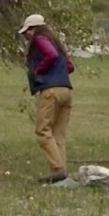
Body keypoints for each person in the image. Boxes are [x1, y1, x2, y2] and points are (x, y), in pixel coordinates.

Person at [19, 13, 74, 184]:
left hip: (50, 91)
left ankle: (57, 169)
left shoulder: (40, 38)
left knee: (42, 131)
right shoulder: (56, 42)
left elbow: (51, 55)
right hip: (66, 90)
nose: (26, 35)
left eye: (27, 31)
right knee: (58, 133)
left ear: (34, 28)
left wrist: (38, 70)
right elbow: (69, 66)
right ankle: (61, 171)